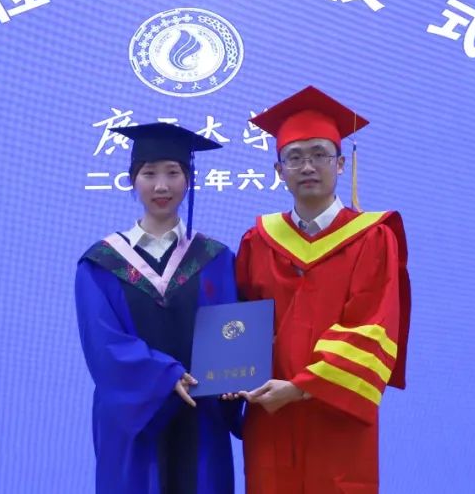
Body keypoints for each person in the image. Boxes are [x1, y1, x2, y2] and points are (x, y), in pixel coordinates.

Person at [234, 86, 412, 493]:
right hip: (270, 414)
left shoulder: (372, 238)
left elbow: (372, 326)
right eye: (295, 157)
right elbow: (240, 324)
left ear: (341, 163)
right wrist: (231, 376)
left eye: (320, 154)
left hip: (337, 413)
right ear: (279, 171)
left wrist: (301, 388)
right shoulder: (258, 241)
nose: (308, 166)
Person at [74, 122, 241, 494]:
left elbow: (232, 332)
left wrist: (234, 381)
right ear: (132, 180)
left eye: (173, 173)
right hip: (132, 422)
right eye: (149, 174)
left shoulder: (215, 259)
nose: (161, 186)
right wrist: (165, 376)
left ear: (189, 180)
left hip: (201, 414)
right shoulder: (100, 263)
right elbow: (103, 344)